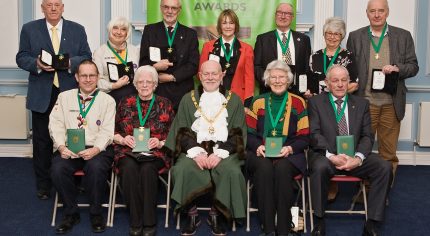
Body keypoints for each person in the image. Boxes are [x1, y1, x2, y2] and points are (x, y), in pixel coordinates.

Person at [16, 0, 91, 200]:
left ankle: (74, 181)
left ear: (63, 7)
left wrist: (68, 63)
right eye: (49, 5)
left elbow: (86, 56)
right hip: (42, 94)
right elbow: (21, 57)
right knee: (42, 142)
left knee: (74, 139)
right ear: (43, 7)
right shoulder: (29, 29)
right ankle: (44, 185)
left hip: (70, 94)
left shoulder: (77, 29)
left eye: (57, 4)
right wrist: (37, 64)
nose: (53, 8)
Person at [307, 65, 392, 236]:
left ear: (349, 82)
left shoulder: (361, 104)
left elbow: (368, 136)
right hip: (328, 156)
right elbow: (314, 134)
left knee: (384, 166)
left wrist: (358, 158)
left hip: (355, 157)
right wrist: (332, 156)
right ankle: (319, 220)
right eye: (335, 80)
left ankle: (372, 222)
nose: (340, 84)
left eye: (344, 80)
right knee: (319, 167)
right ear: (327, 83)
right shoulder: (315, 102)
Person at [165, 60, 247, 236]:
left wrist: (220, 154)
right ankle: (192, 213)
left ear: (221, 76)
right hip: (194, 150)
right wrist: (196, 154)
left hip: (225, 151)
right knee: (183, 168)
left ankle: (216, 213)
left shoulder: (235, 101)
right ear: (200, 76)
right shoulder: (188, 99)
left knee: (231, 170)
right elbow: (182, 129)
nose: (210, 77)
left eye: (214, 73)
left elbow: (238, 132)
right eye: (206, 74)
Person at [346, 0, 419, 180]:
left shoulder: (403, 36)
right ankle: (364, 189)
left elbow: (414, 66)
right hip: (364, 104)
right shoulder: (355, 36)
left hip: (391, 104)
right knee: (360, 152)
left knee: (388, 154)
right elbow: (349, 68)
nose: (377, 15)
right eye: (373, 11)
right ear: (367, 13)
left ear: (387, 12)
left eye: (381, 11)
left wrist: (398, 68)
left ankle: (383, 192)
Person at [49, 60, 116, 234]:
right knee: (57, 168)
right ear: (77, 77)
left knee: (95, 168)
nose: (88, 79)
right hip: (69, 148)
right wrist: (61, 147)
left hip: (97, 149)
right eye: (84, 75)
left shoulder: (108, 101)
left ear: (97, 77)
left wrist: (96, 149)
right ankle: (71, 213)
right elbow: (55, 125)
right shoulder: (64, 97)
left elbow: (108, 130)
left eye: (92, 75)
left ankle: (96, 213)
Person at [246, 60, 309, 236]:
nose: (277, 81)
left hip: (290, 153)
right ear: (267, 80)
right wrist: (257, 146)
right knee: (264, 168)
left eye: (281, 77)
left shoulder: (298, 102)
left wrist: (289, 148)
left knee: (282, 168)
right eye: (273, 77)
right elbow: (248, 134)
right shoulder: (257, 102)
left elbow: (304, 136)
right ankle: (268, 228)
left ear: (288, 80)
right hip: (261, 153)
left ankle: (283, 228)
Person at [114, 65, 175, 236]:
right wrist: (123, 139)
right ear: (135, 84)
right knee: (129, 169)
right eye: (141, 81)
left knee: (148, 170)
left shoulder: (165, 103)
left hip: (154, 152)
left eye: (149, 81)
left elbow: (173, 134)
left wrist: (161, 142)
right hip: (127, 150)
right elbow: (112, 131)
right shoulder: (125, 102)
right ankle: (135, 220)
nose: (145, 85)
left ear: (155, 84)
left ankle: (149, 222)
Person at [139, 0, 199, 111]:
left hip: (182, 91)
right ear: (161, 8)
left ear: (179, 10)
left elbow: (193, 65)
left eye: (173, 8)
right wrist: (155, 67)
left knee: (182, 128)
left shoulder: (190, 34)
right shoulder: (150, 31)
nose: (169, 11)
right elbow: (143, 63)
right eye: (166, 7)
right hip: (156, 90)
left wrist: (171, 77)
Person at [199, 9, 254, 107]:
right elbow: (201, 73)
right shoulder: (208, 47)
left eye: (231, 23)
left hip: (238, 99)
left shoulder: (247, 49)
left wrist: (246, 104)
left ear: (235, 26)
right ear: (220, 26)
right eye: (224, 23)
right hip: (212, 97)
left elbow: (249, 79)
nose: (228, 26)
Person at [254, 2, 311, 94]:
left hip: (296, 93)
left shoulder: (304, 40)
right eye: (280, 13)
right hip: (270, 91)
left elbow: (306, 67)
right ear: (275, 15)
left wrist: (307, 88)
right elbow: (256, 67)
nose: (283, 16)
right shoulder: (263, 39)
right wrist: (271, 82)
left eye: (287, 14)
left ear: (292, 17)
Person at [307, 17, 358, 98]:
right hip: (317, 103)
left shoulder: (348, 56)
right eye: (329, 33)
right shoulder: (314, 56)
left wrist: (334, 95)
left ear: (342, 36)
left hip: (339, 102)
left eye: (336, 34)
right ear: (324, 34)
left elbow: (354, 85)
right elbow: (308, 83)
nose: (332, 37)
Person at [93, 16, 140, 104]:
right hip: (110, 95)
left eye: (123, 29)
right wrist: (114, 85)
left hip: (133, 94)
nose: (119, 32)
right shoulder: (99, 52)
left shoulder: (135, 51)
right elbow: (97, 80)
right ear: (110, 30)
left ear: (127, 33)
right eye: (115, 28)